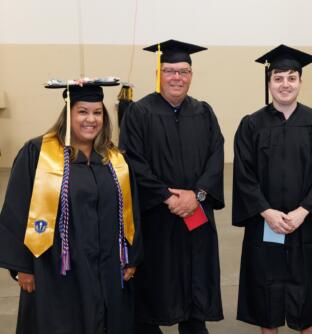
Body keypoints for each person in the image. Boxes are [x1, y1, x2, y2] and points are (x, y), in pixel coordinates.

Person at [0, 78, 143, 334]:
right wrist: (22, 267)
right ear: (68, 114)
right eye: (82, 111)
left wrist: (131, 256)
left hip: (107, 266)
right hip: (56, 269)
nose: (90, 119)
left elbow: (130, 212)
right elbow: (17, 208)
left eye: (97, 112)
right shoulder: (38, 153)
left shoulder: (115, 159)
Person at [119, 39, 225, 334]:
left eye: (183, 71)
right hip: (156, 218)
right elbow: (133, 163)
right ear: (159, 73)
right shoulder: (139, 113)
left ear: (191, 75)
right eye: (169, 71)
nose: (177, 77)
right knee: (155, 285)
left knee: (195, 284)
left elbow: (216, 157)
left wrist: (197, 196)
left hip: (197, 216)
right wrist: (167, 196)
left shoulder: (204, 112)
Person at [232, 45, 312, 334]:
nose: (285, 84)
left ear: (301, 82)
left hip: (306, 223)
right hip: (265, 223)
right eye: (278, 78)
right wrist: (267, 212)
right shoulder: (251, 124)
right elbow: (244, 174)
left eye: (292, 78)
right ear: (269, 84)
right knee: (267, 294)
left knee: (308, 293)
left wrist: (304, 211)